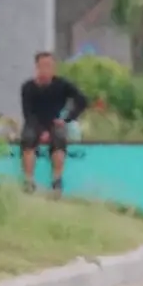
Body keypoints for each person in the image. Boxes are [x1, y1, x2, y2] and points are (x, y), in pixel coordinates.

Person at [19, 52, 89, 194]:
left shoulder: (62, 85)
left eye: (49, 66)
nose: (46, 70)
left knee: (59, 138)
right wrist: (42, 132)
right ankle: (29, 180)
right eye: (42, 66)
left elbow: (82, 100)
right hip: (35, 121)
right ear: (37, 67)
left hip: (55, 121)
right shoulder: (28, 87)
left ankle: (57, 180)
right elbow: (28, 113)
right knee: (28, 138)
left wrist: (67, 118)